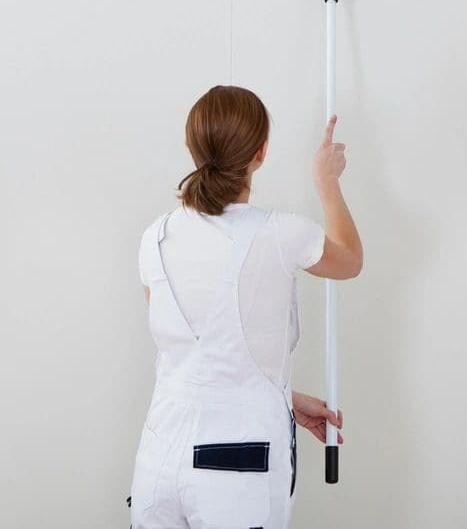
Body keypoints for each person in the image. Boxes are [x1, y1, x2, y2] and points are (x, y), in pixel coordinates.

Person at [130, 85, 363, 529]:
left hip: (158, 464)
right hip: (235, 472)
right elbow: (349, 260)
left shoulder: (154, 238)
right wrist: (327, 183)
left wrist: (286, 400)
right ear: (261, 152)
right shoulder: (280, 234)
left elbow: (196, 352)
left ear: (191, 146)